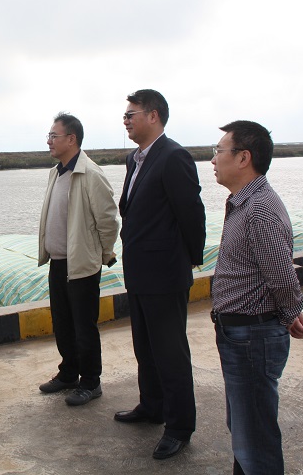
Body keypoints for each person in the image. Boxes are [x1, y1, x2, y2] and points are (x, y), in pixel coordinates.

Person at [210, 120, 303, 474]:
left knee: (255, 438)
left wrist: (289, 313)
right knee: (245, 430)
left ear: (243, 158)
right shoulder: (245, 203)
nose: (213, 160)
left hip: (252, 337)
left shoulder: (259, 209)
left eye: (219, 151)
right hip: (242, 334)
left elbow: (282, 276)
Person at [115, 89, 206, 460]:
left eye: (131, 114)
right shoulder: (134, 159)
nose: (125, 120)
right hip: (139, 272)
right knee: (145, 347)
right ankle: (152, 406)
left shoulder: (173, 157)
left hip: (165, 275)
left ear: (153, 116)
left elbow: (191, 213)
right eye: (125, 115)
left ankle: (179, 426)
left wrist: (189, 260)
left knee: (170, 354)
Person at [37, 113, 119, 406]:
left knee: (84, 326)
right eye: (49, 136)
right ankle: (69, 373)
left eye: (53, 136)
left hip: (82, 265)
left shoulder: (90, 174)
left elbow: (108, 221)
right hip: (58, 262)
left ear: (71, 139)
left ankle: (91, 381)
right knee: (62, 323)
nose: (49, 141)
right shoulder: (56, 172)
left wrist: (100, 254)